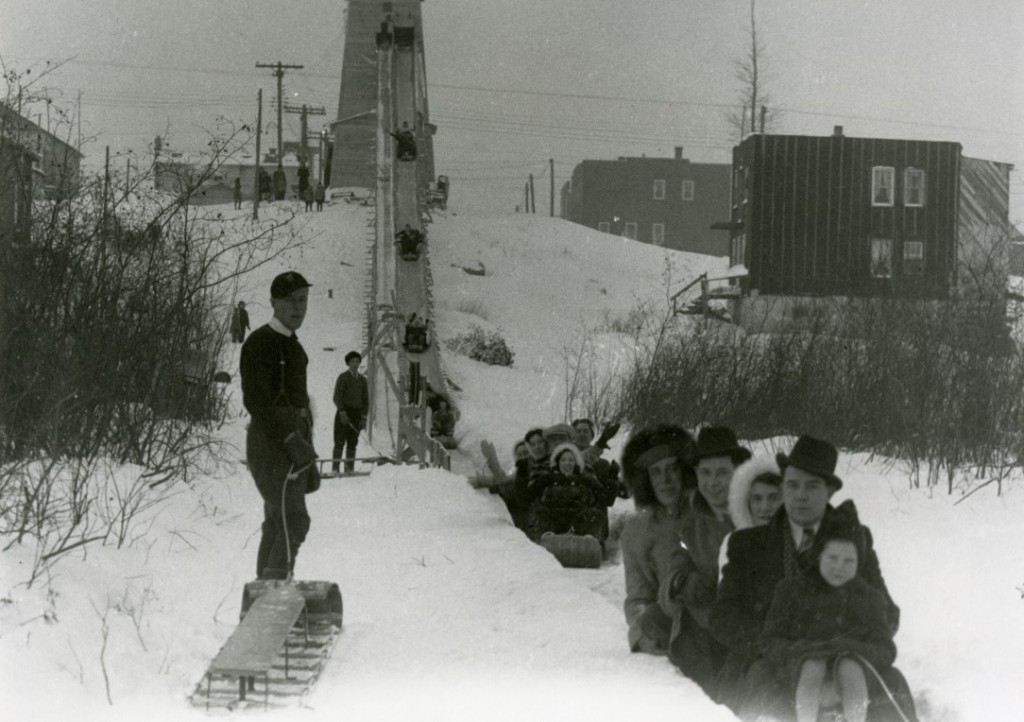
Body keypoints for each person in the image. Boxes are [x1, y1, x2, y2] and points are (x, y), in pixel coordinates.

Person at [709, 435, 915, 721]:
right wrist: (786, 648)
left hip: (848, 661)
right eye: (792, 485)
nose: (800, 495)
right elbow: (723, 619)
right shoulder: (748, 545)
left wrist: (843, 647)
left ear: (829, 490)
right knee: (763, 700)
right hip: (771, 665)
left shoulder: (855, 539)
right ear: (782, 486)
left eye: (812, 485)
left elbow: (886, 613)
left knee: (891, 691)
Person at [761, 500, 899, 722]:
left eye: (848, 561)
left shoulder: (869, 598)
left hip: (854, 677)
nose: (839, 567)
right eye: (832, 558)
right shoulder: (792, 590)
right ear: (818, 556)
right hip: (800, 672)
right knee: (813, 667)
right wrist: (805, 650)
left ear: (859, 563)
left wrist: (850, 649)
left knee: (849, 668)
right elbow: (770, 641)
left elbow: (885, 649)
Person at [656, 425, 751, 693]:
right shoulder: (689, 517)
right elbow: (675, 558)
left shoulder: (755, 510)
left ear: (738, 472)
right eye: (705, 473)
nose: (713, 482)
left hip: (745, 624)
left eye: (722, 472)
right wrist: (683, 581)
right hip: (701, 621)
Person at [240, 271, 319, 580]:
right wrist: (289, 438)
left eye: (303, 300)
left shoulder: (294, 347)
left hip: (292, 442)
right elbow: (257, 402)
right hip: (270, 443)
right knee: (294, 520)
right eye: (289, 301)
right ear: (273, 302)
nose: (297, 308)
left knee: (278, 521)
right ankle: (271, 597)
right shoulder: (260, 343)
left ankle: (265, 596)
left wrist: (304, 441)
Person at [618, 424, 697, 655]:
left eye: (671, 468)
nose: (665, 479)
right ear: (646, 480)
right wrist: (643, 634)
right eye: (656, 472)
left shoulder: (705, 514)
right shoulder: (636, 533)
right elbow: (638, 599)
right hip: (670, 634)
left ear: (684, 472)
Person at [525, 443, 609, 545]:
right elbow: (528, 496)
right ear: (558, 462)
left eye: (571, 460)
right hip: (553, 518)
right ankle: (546, 538)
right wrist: (544, 480)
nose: (567, 463)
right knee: (539, 513)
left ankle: (589, 540)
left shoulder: (584, 479)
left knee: (594, 514)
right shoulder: (548, 479)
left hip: (577, 519)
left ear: (576, 463)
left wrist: (608, 482)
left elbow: (603, 497)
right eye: (563, 460)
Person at [332, 351, 369, 474]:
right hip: (344, 413)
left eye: (357, 361)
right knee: (340, 441)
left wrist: (363, 417)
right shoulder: (343, 378)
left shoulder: (363, 380)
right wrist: (342, 412)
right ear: (348, 363)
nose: (355, 364)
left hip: (356, 414)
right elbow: (337, 397)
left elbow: (365, 399)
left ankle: (349, 469)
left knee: (353, 442)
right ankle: (335, 469)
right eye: (352, 361)